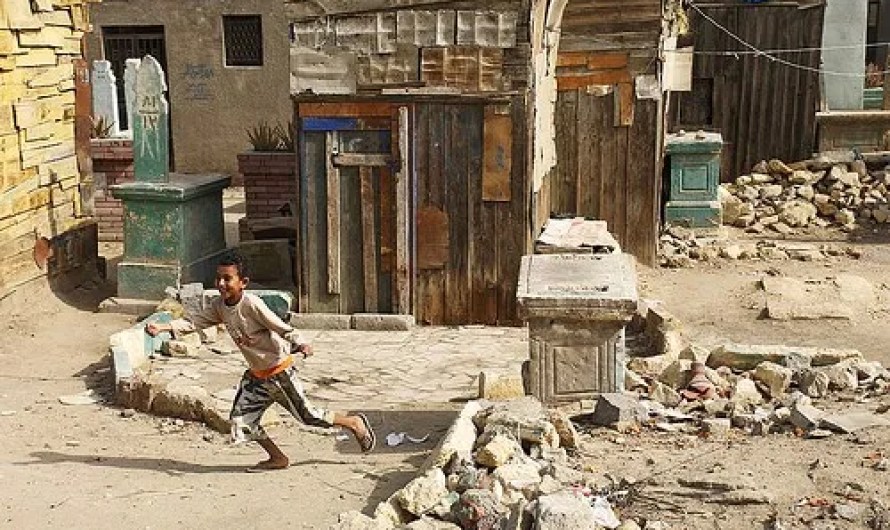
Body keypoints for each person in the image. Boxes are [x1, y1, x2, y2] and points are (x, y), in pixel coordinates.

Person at [145, 253, 375, 471]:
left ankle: (353, 422)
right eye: (219, 278)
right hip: (257, 376)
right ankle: (277, 457)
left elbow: (280, 326)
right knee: (240, 421)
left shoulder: (252, 304)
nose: (222, 284)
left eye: (228, 279)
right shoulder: (218, 306)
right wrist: (164, 327)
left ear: (243, 282)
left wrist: (300, 342)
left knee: (308, 416)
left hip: (279, 372)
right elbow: (195, 322)